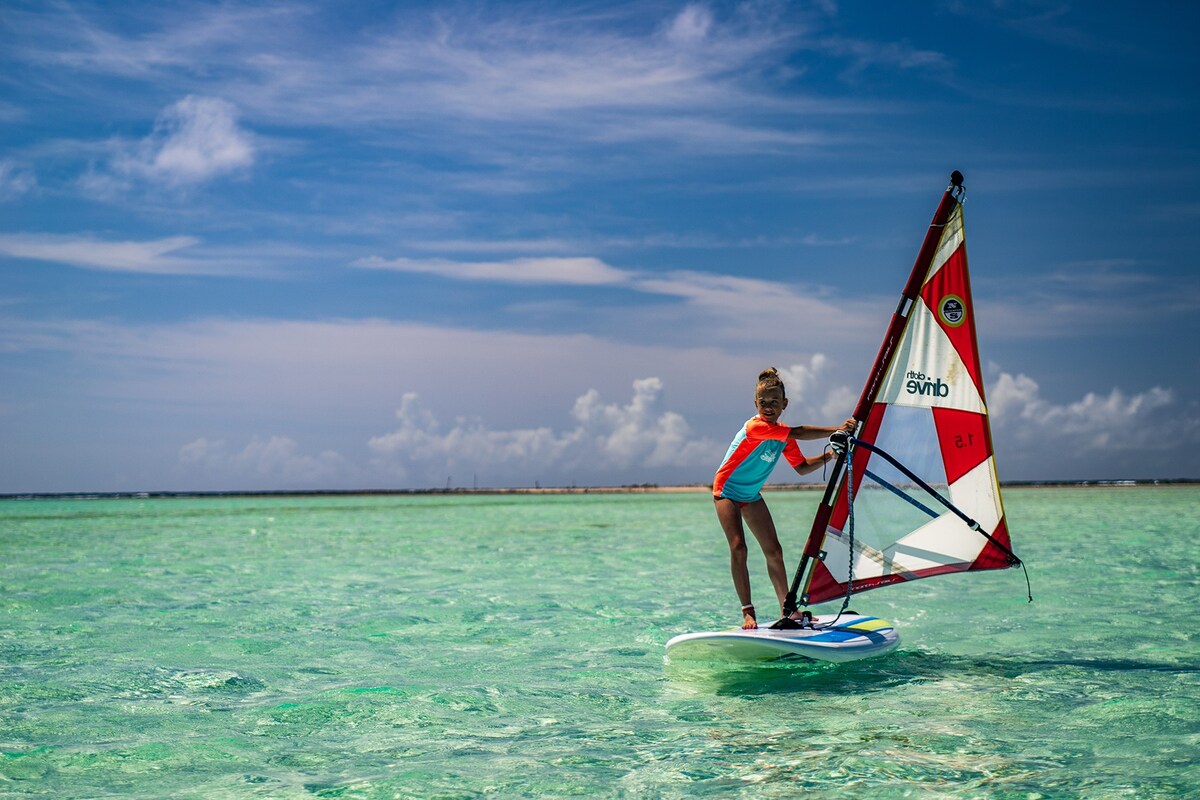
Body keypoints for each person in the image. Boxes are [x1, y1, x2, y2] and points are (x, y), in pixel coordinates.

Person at [712, 367, 855, 629]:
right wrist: (837, 429)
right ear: (756, 404)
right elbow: (800, 432)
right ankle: (748, 611)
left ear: (784, 404)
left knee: (774, 551)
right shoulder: (756, 427)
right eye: (763, 402)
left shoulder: (782, 436)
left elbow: (801, 468)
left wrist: (831, 456)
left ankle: (788, 611)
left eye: (774, 402)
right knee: (739, 547)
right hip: (726, 491)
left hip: (751, 495)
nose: (768, 407)